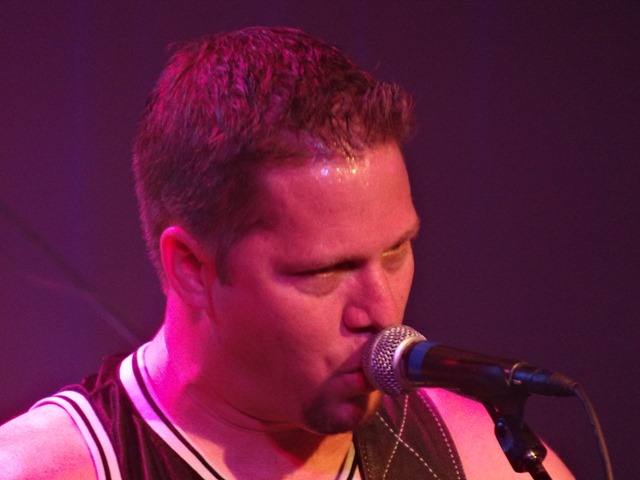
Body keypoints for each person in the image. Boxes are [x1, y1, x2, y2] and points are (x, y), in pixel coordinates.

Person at [0, 27, 574, 479]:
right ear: (191, 269)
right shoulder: (48, 468)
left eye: (397, 250)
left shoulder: (484, 460)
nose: (381, 312)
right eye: (326, 270)